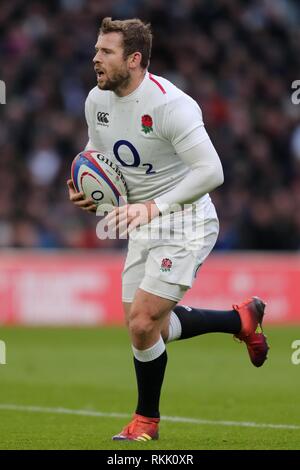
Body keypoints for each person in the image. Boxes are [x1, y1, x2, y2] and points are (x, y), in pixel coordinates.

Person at [67, 17, 269, 442]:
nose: (95, 58)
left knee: (142, 323)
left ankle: (146, 423)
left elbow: (212, 171)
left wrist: (154, 207)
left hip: (185, 220)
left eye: (106, 52)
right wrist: (87, 189)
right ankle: (240, 319)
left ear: (134, 59)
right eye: (96, 50)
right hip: (143, 221)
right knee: (148, 330)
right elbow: (96, 152)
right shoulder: (95, 101)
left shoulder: (170, 106)